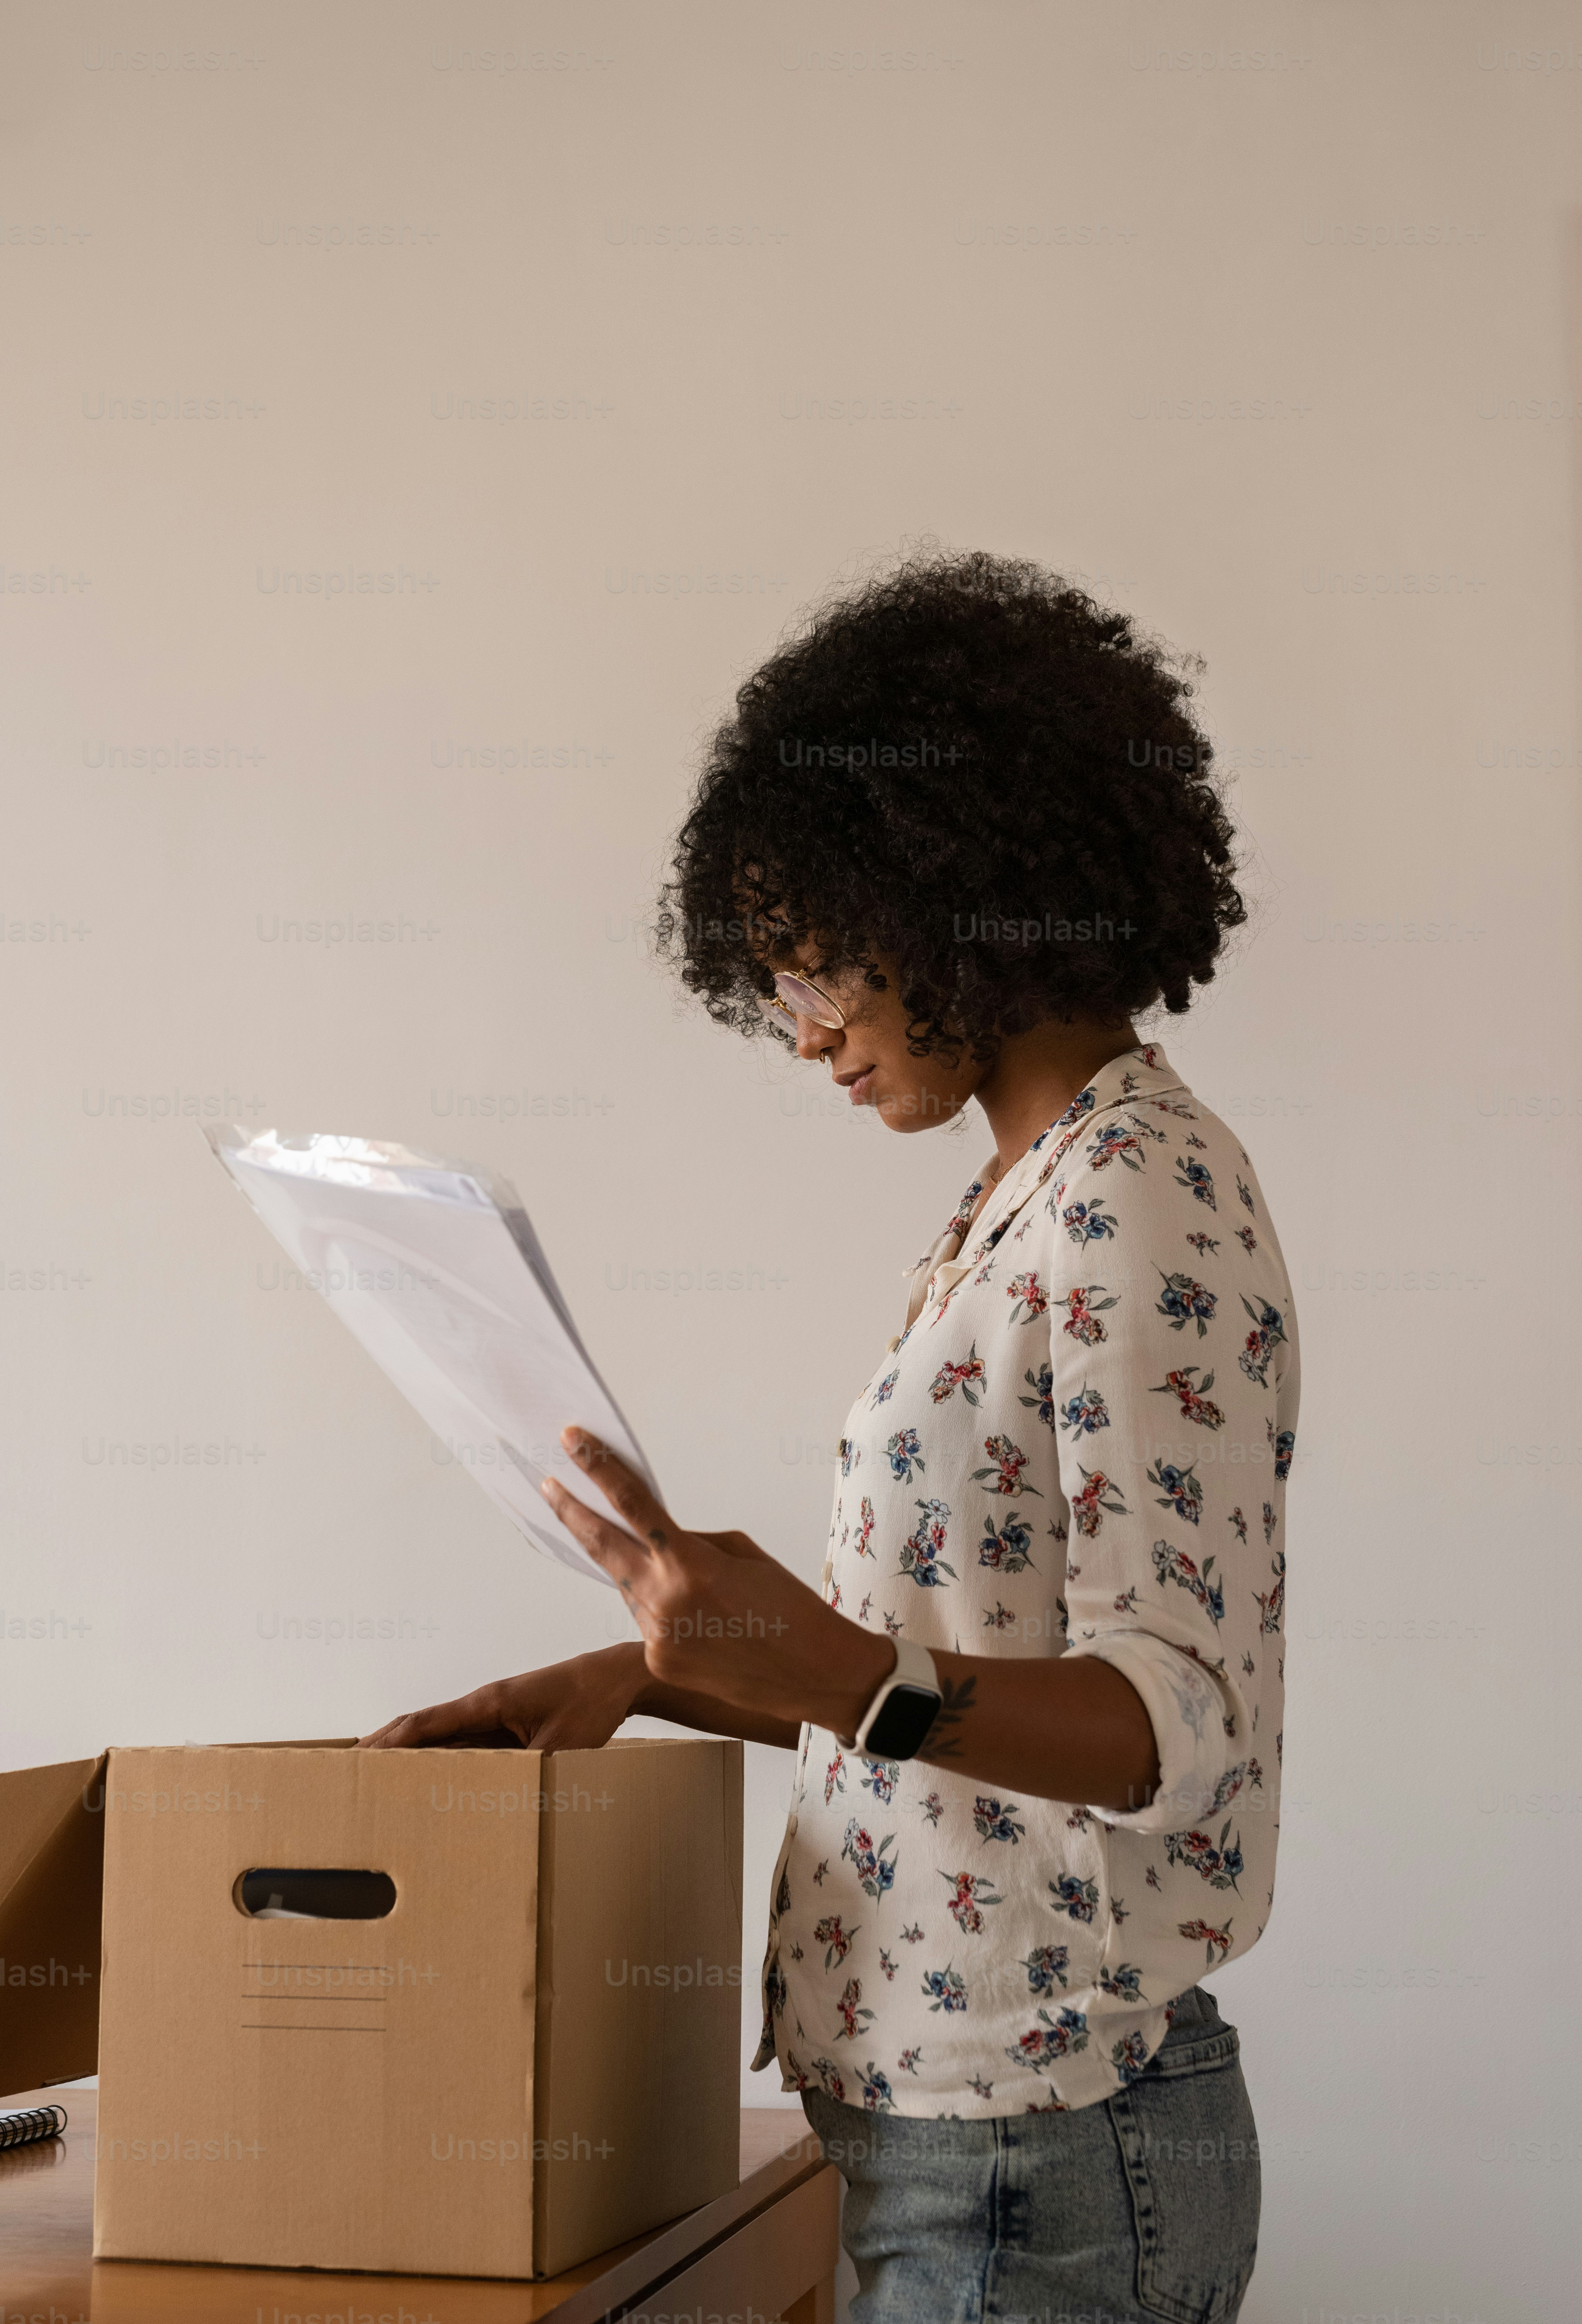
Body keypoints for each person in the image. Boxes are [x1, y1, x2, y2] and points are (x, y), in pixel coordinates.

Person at [362, 549, 1297, 2324]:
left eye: (821, 961)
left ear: (966, 893)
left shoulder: (1140, 1201)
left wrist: (824, 1654)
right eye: (772, 973)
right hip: (965, 2137)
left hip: (1044, 2143)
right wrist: (641, 1671)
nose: (803, 1031)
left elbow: (1172, 1723)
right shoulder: (1021, 1198)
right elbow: (937, 1701)